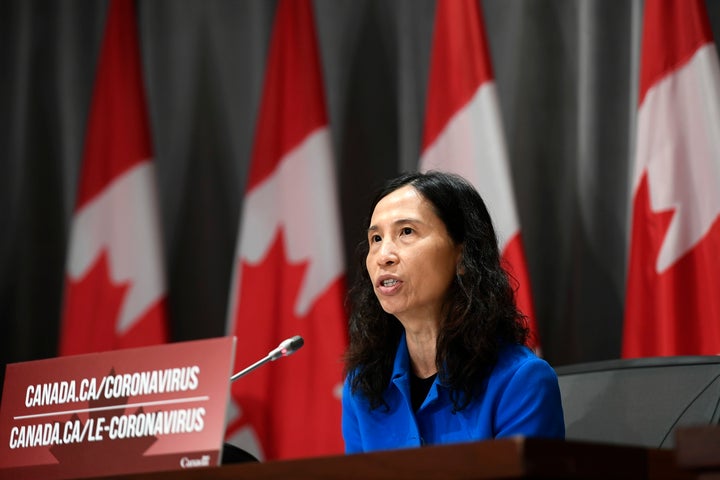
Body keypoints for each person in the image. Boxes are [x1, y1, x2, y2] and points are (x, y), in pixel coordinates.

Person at [341, 170, 565, 454]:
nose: (384, 256)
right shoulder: (364, 387)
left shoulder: (520, 382)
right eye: (375, 239)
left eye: (406, 232)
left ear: (462, 255)